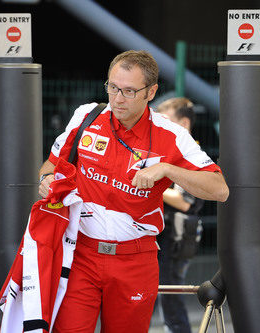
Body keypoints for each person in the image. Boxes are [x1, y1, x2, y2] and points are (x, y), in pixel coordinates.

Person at [38, 50, 229, 332]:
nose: (117, 98)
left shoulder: (172, 134)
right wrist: (46, 179)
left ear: (151, 92)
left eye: (129, 91)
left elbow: (220, 190)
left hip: (135, 260)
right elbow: (50, 166)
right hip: (80, 255)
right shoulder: (86, 116)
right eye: (112, 87)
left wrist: (167, 170)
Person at [155, 97, 204, 333]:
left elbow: (185, 201)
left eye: (167, 121)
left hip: (177, 236)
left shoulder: (191, 154)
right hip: (168, 234)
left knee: (171, 295)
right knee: (165, 296)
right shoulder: (170, 151)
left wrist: (148, 183)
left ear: (183, 123)